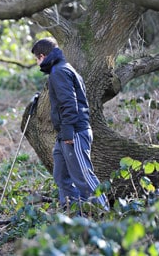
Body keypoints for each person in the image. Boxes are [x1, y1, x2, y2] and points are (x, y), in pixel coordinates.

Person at [31, 37, 109, 212]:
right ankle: (73, 212)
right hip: (64, 134)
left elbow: (69, 104)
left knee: (83, 175)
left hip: (74, 132)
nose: (37, 63)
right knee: (61, 175)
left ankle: (104, 212)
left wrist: (68, 133)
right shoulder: (60, 70)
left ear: (42, 56)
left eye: (37, 59)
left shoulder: (60, 71)